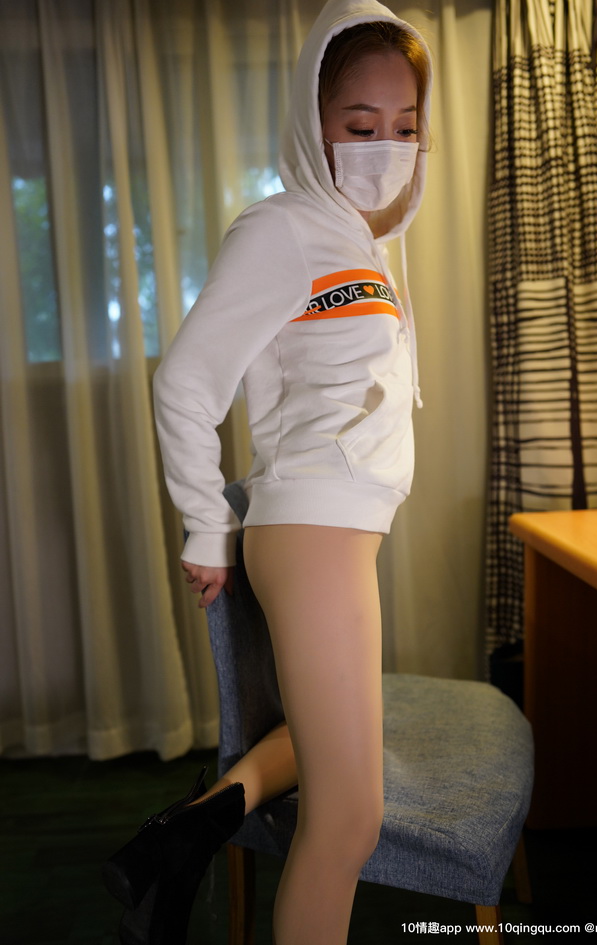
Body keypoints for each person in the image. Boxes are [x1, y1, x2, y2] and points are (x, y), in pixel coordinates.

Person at [102, 0, 432, 943]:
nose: (386, 147)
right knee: (349, 820)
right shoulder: (283, 229)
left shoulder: (360, 243)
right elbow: (185, 380)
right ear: (312, 122)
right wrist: (207, 525)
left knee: (329, 753)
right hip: (312, 531)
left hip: (337, 533)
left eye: (405, 126)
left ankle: (183, 835)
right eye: (360, 127)